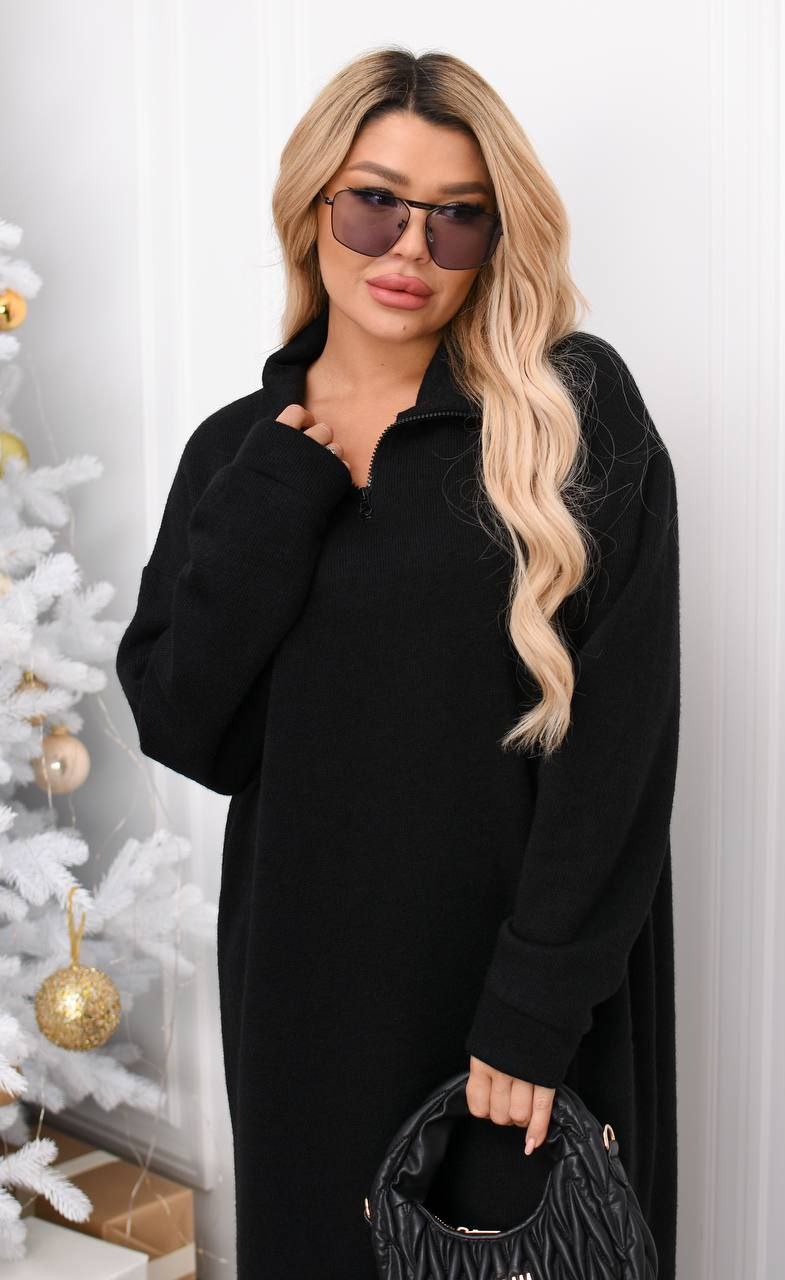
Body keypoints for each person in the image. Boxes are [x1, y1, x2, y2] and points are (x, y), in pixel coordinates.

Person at [115, 46, 681, 1279]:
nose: (410, 247)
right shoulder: (238, 451)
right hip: (305, 998)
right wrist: (285, 483)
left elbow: (620, 747)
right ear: (313, 206)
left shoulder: (567, 411)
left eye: (456, 216)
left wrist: (533, 1011)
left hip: (520, 1002)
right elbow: (185, 722)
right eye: (375, 202)